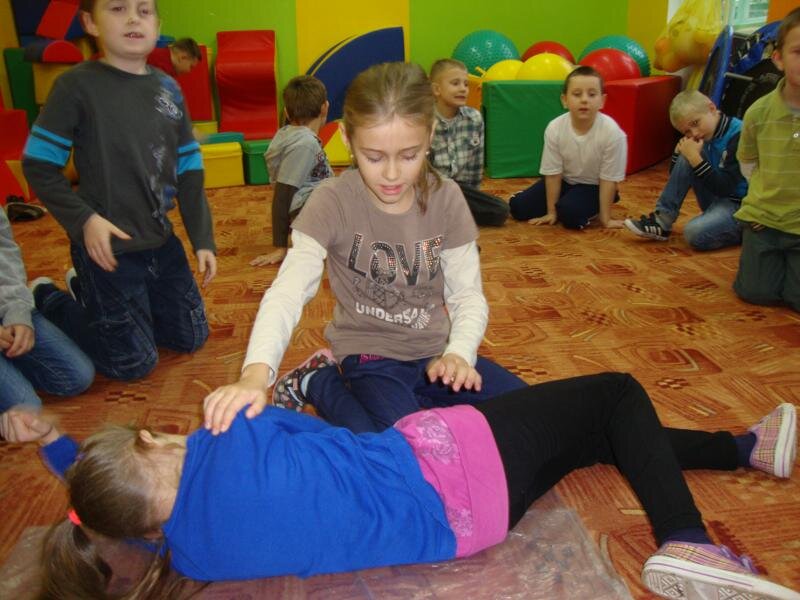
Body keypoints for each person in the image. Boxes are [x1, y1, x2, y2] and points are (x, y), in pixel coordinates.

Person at [6, 374, 798, 599]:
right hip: (458, 459)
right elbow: (319, 433)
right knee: (616, 395)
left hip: (469, 529)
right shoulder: (231, 431)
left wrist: (57, 449)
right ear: (150, 437)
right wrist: (54, 440)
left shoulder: (190, 555)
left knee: (595, 438)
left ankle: (743, 447)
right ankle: (687, 540)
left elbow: (101, 500)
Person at [204, 62, 524, 435]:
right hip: (370, 355)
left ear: (431, 134)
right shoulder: (331, 200)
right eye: (374, 157)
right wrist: (255, 374)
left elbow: (466, 294)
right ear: (345, 137)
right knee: (408, 449)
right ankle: (320, 381)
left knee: (529, 413)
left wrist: (459, 353)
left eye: (409, 155)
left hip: (433, 352)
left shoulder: (447, 197)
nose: (392, 174)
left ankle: (408, 405)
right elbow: (288, 291)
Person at [21, 0, 217, 382]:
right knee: (134, 362)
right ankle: (50, 298)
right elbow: (39, 165)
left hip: (161, 243)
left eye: (144, 10)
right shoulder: (76, 86)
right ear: (90, 22)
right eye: (117, 8)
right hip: (108, 250)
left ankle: (91, 294)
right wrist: (85, 221)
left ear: (157, 23)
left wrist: (202, 238)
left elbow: (190, 169)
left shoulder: (169, 89)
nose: (132, 18)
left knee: (190, 337)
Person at [732, 7, 800, 313]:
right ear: (779, 58)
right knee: (755, 293)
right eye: (799, 52)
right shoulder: (758, 113)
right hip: (766, 222)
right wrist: (761, 202)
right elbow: (748, 164)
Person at [624, 90, 746, 251]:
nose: (694, 133)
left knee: (693, 233)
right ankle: (662, 220)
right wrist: (678, 154)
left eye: (695, 123)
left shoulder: (739, 134)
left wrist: (694, 158)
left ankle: (743, 231)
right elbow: (677, 178)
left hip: (739, 205)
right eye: (687, 131)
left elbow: (725, 188)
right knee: (687, 154)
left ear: (711, 108)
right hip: (717, 198)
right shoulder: (702, 135)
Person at [509, 65, 627, 230]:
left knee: (570, 215)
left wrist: (605, 219)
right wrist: (551, 212)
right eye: (577, 94)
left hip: (594, 186)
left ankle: (604, 199)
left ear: (602, 101)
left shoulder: (612, 133)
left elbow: (608, 179)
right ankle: (562, 202)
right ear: (564, 100)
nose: (584, 100)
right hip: (564, 181)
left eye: (592, 94)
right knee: (518, 208)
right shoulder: (555, 128)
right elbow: (553, 174)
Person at [0, 209, 94, 417]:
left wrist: (17, 311)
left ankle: (46, 298)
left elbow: (5, 253)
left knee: (77, 375)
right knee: (27, 409)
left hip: (4, 305)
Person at [250, 75, 334, 267]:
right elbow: (283, 194)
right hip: (311, 214)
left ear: (287, 113)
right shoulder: (304, 144)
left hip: (308, 212)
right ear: (325, 107)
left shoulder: (290, 135)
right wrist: (280, 247)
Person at [428, 59, 510, 227]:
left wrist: (474, 197)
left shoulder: (474, 118)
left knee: (500, 210)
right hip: (432, 189)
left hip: (461, 190)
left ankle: (448, 215)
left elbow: (475, 166)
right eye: (455, 83)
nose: (463, 89)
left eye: (465, 84)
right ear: (437, 89)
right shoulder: (424, 120)